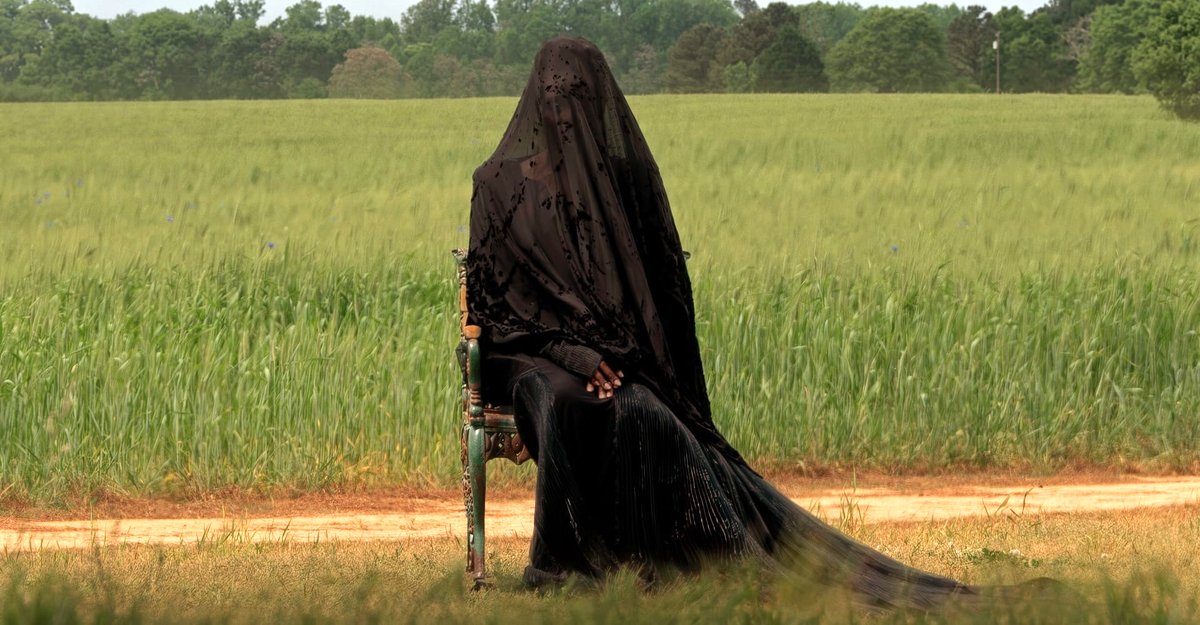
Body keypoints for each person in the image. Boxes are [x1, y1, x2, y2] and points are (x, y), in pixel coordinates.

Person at [467, 36, 997, 611]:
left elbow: (656, 292)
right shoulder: (497, 185)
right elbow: (497, 303)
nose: (565, 112)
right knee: (566, 398)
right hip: (531, 350)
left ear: (597, 100)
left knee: (641, 410)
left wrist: (610, 352)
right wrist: (572, 353)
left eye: (576, 98)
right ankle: (564, 565)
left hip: (616, 357)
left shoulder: (624, 182)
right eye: (554, 100)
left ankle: (659, 555)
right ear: (536, 101)